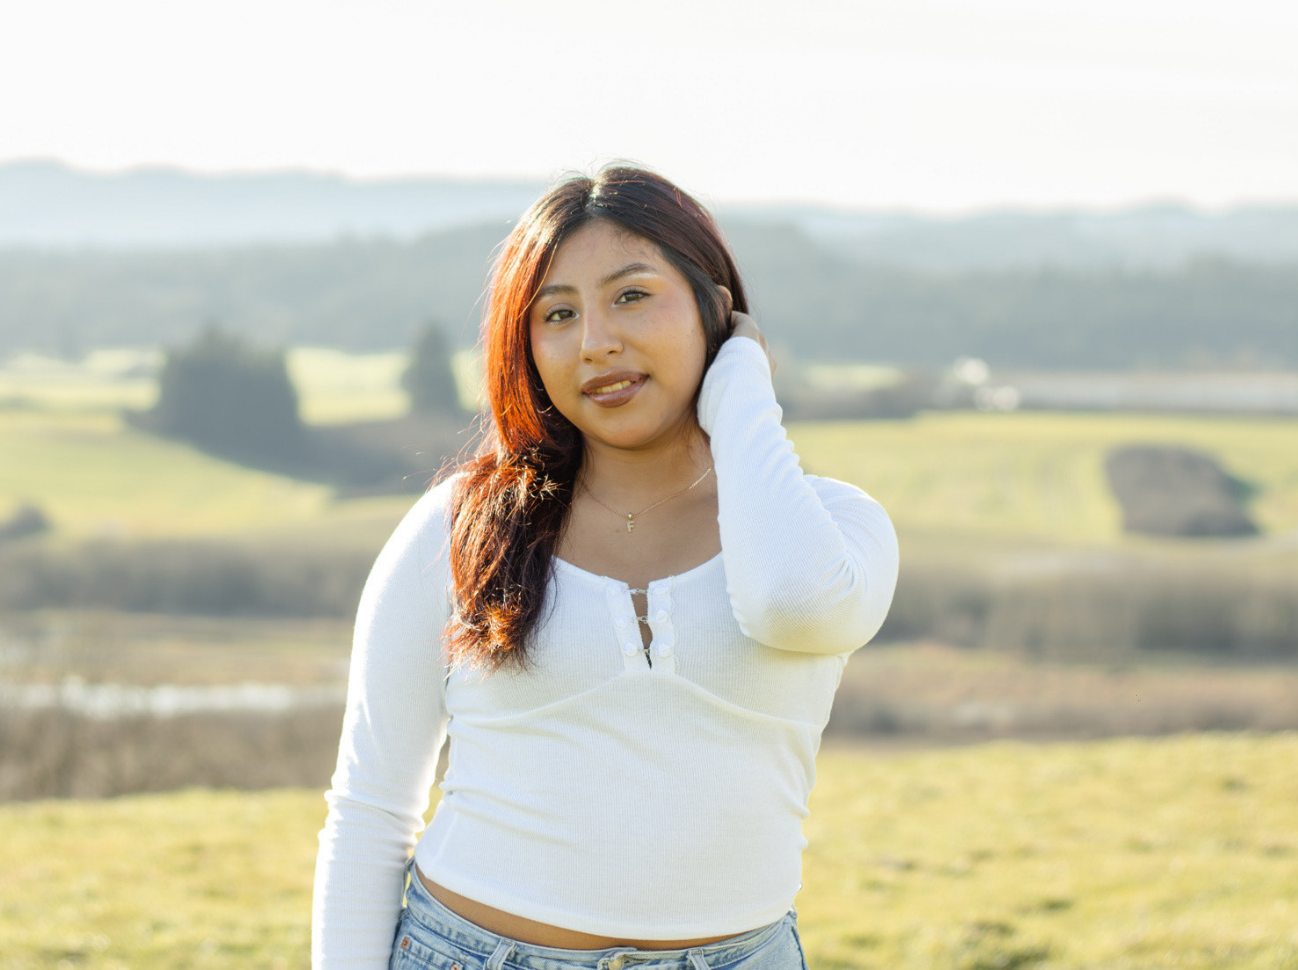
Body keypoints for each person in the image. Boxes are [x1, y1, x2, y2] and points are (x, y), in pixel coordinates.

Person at [313, 164, 899, 970]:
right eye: (559, 314)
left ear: (714, 308)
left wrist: (739, 387)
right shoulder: (461, 527)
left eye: (631, 296)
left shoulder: (833, 526)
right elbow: (371, 811)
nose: (596, 343)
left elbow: (791, 604)